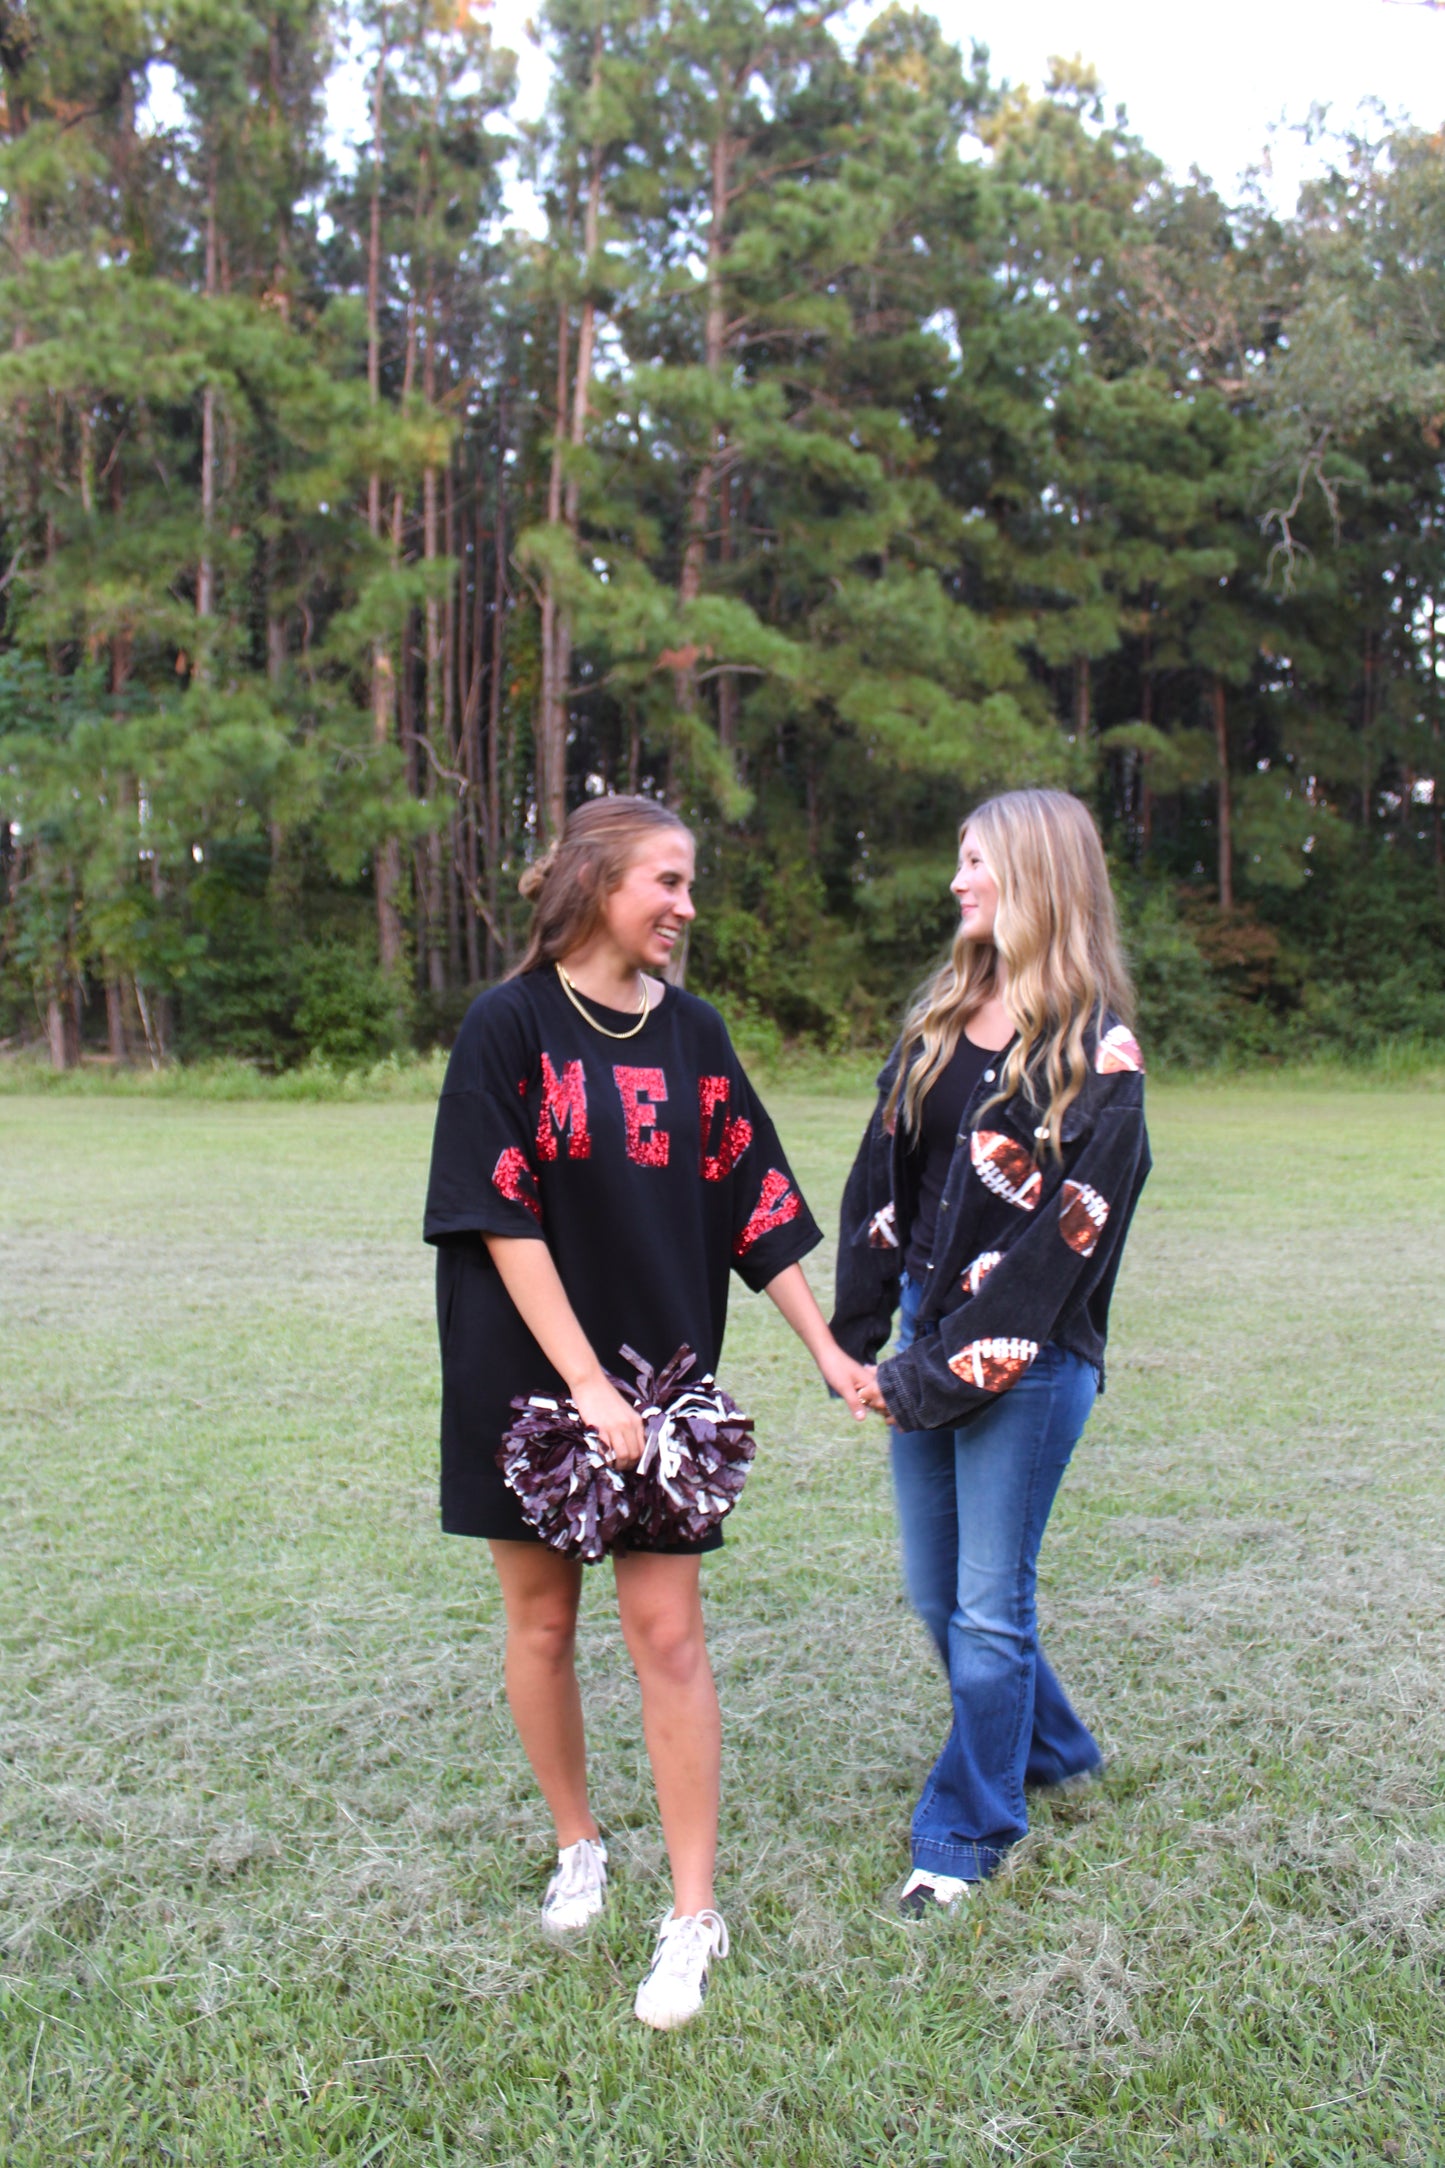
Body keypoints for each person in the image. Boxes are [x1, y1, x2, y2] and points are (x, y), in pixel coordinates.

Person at [424, 795, 871, 2028]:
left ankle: (690, 1913)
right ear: (595, 881)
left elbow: (754, 1198)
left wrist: (827, 1350)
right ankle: (577, 1840)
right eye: (665, 881)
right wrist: (581, 1384)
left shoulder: (695, 1035)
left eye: (688, 885)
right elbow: (496, 1213)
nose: (684, 906)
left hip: (662, 1371)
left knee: (666, 1629)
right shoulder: (506, 1027)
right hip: (529, 1370)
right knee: (542, 1622)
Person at [833, 787, 1151, 1913]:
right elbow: (881, 1181)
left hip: (1030, 1353)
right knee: (940, 1599)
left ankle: (966, 1833)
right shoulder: (937, 1020)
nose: (956, 881)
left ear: (1034, 875)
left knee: (986, 1603)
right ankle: (1054, 1747)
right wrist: (860, 1329)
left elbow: (1048, 1260)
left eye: (976, 862)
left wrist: (920, 1372)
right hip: (928, 1331)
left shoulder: (1098, 1059)